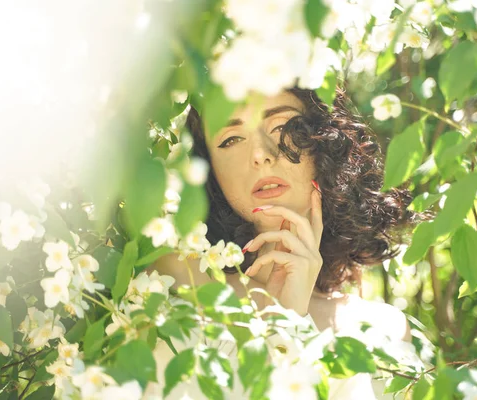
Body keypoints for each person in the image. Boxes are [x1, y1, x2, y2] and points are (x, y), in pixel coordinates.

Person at [147, 87, 418, 399]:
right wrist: (283, 325)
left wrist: (290, 323)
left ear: (324, 140)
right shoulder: (174, 286)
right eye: (230, 139)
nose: (260, 154)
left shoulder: (382, 331)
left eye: (281, 126)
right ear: (210, 168)